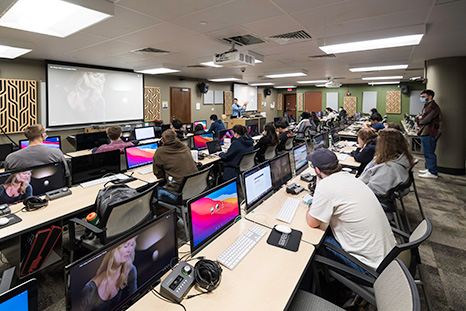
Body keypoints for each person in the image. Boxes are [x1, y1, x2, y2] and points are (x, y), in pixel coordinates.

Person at [306, 148, 396, 272]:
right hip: (388, 257)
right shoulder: (351, 178)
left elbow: (312, 222)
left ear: (317, 170)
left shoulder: (325, 186)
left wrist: (313, 201)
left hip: (368, 267)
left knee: (315, 242)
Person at [80, 237, 138, 311]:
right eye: (125, 246)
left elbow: (135, 298)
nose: (129, 250)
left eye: (131, 245)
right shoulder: (90, 289)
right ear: (114, 250)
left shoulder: (130, 270)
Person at [359, 129, 414, 199]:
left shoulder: (388, 168)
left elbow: (371, 192)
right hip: (363, 184)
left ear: (385, 146)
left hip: (367, 197)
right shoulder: (399, 158)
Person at [4, 124, 69, 176]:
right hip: (53, 188)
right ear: (43, 135)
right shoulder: (57, 153)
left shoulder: (11, 158)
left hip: (24, 190)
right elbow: (66, 173)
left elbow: (6, 179)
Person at [153, 130, 198, 204]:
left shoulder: (160, 151)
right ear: (176, 138)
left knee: (153, 192)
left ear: (162, 140)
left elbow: (158, 174)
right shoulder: (185, 146)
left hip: (178, 194)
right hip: (196, 187)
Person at [416, 89, 441, 179]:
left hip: (429, 132)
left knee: (429, 153)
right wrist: (420, 117)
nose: (421, 98)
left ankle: (432, 172)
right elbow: (420, 116)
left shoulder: (432, 107)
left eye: (423, 97)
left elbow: (424, 120)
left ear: (430, 97)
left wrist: (420, 118)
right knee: (428, 152)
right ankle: (430, 169)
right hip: (426, 131)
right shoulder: (427, 106)